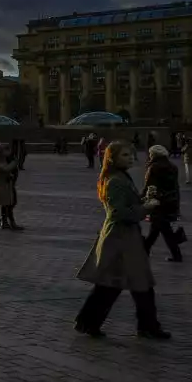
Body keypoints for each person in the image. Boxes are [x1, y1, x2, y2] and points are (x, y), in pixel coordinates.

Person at [74, 141, 170, 340]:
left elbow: (126, 206)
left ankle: (89, 323)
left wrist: (143, 201)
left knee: (115, 284)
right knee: (134, 283)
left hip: (124, 237)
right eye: (125, 155)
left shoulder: (119, 177)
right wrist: (146, 207)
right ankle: (147, 326)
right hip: (121, 238)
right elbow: (119, 213)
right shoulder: (116, 180)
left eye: (131, 155)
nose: (130, 158)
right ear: (112, 158)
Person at [142, 145, 183, 263]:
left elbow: (148, 186)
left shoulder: (154, 167)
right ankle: (145, 250)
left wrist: (141, 198)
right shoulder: (173, 167)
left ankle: (177, 255)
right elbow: (176, 187)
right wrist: (177, 204)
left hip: (158, 202)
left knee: (163, 229)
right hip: (170, 201)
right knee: (156, 229)